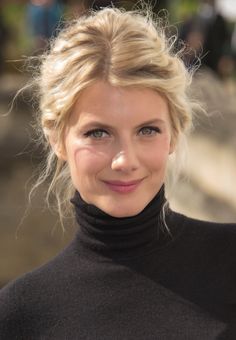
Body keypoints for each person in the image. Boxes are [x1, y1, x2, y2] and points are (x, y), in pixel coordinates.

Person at [0, 6, 236, 339]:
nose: (125, 160)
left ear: (175, 132)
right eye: (98, 133)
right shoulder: (17, 316)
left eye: (147, 130)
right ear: (57, 138)